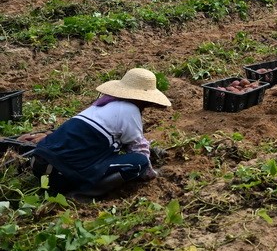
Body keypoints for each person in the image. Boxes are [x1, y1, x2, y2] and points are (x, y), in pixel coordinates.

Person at [28, 67, 170, 198]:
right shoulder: (129, 110)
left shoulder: (101, 106)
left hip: (39, 165)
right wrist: (149, 173)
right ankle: (84, 193)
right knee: (140, 161)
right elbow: (138, 149)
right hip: (60, 174)